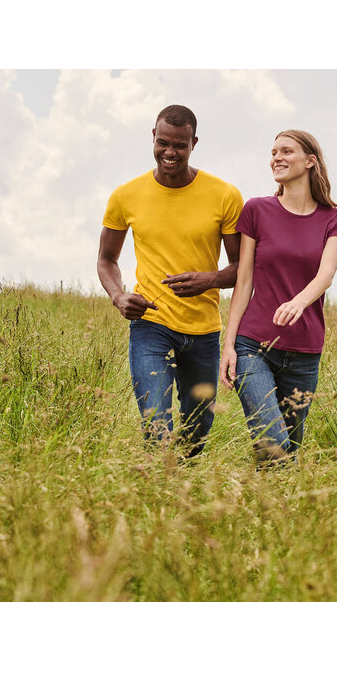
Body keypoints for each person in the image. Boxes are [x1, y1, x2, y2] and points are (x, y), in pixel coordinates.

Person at [97, 104, 243, 457]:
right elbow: (106, 260)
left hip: (203, 329)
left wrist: (209, 280)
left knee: (198, 425)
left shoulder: (225, 195)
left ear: (194, 142)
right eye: (163, 143)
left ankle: (183, 486)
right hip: (151, 323)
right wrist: (118, 296)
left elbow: (243, 266)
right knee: (156, 422)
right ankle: (158, 488)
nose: (170, 153)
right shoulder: (125, 195)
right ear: (153, 136)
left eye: (180, 145)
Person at [219, 130, 337, 464]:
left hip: (305, 351)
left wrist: (299, 301)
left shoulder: (333, 218)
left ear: (310, 161)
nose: (276, 157)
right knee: (273, 440)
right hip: (254, 344)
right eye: (273, 151)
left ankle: (274, 510)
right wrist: (229, 344)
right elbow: (244, 280)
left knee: (288, 449)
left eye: (286, 151)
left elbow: (326, 275)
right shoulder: (256, 210)